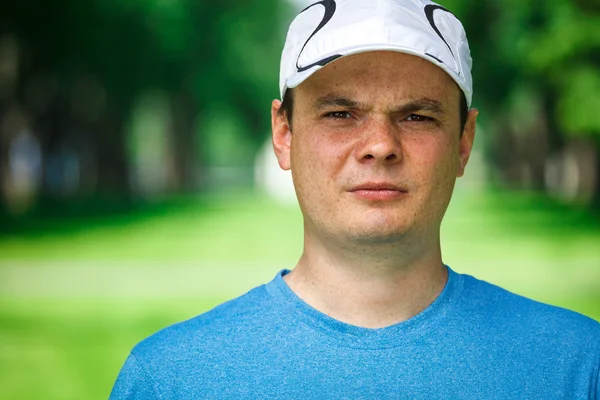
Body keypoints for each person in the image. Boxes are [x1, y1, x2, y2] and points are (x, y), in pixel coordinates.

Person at [109, 0, 600, 398]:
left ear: (464, 142)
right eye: (341, 113)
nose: (380, 144)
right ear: (284, 134)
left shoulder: (577, 367)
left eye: (418, 117)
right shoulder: (169, 380)